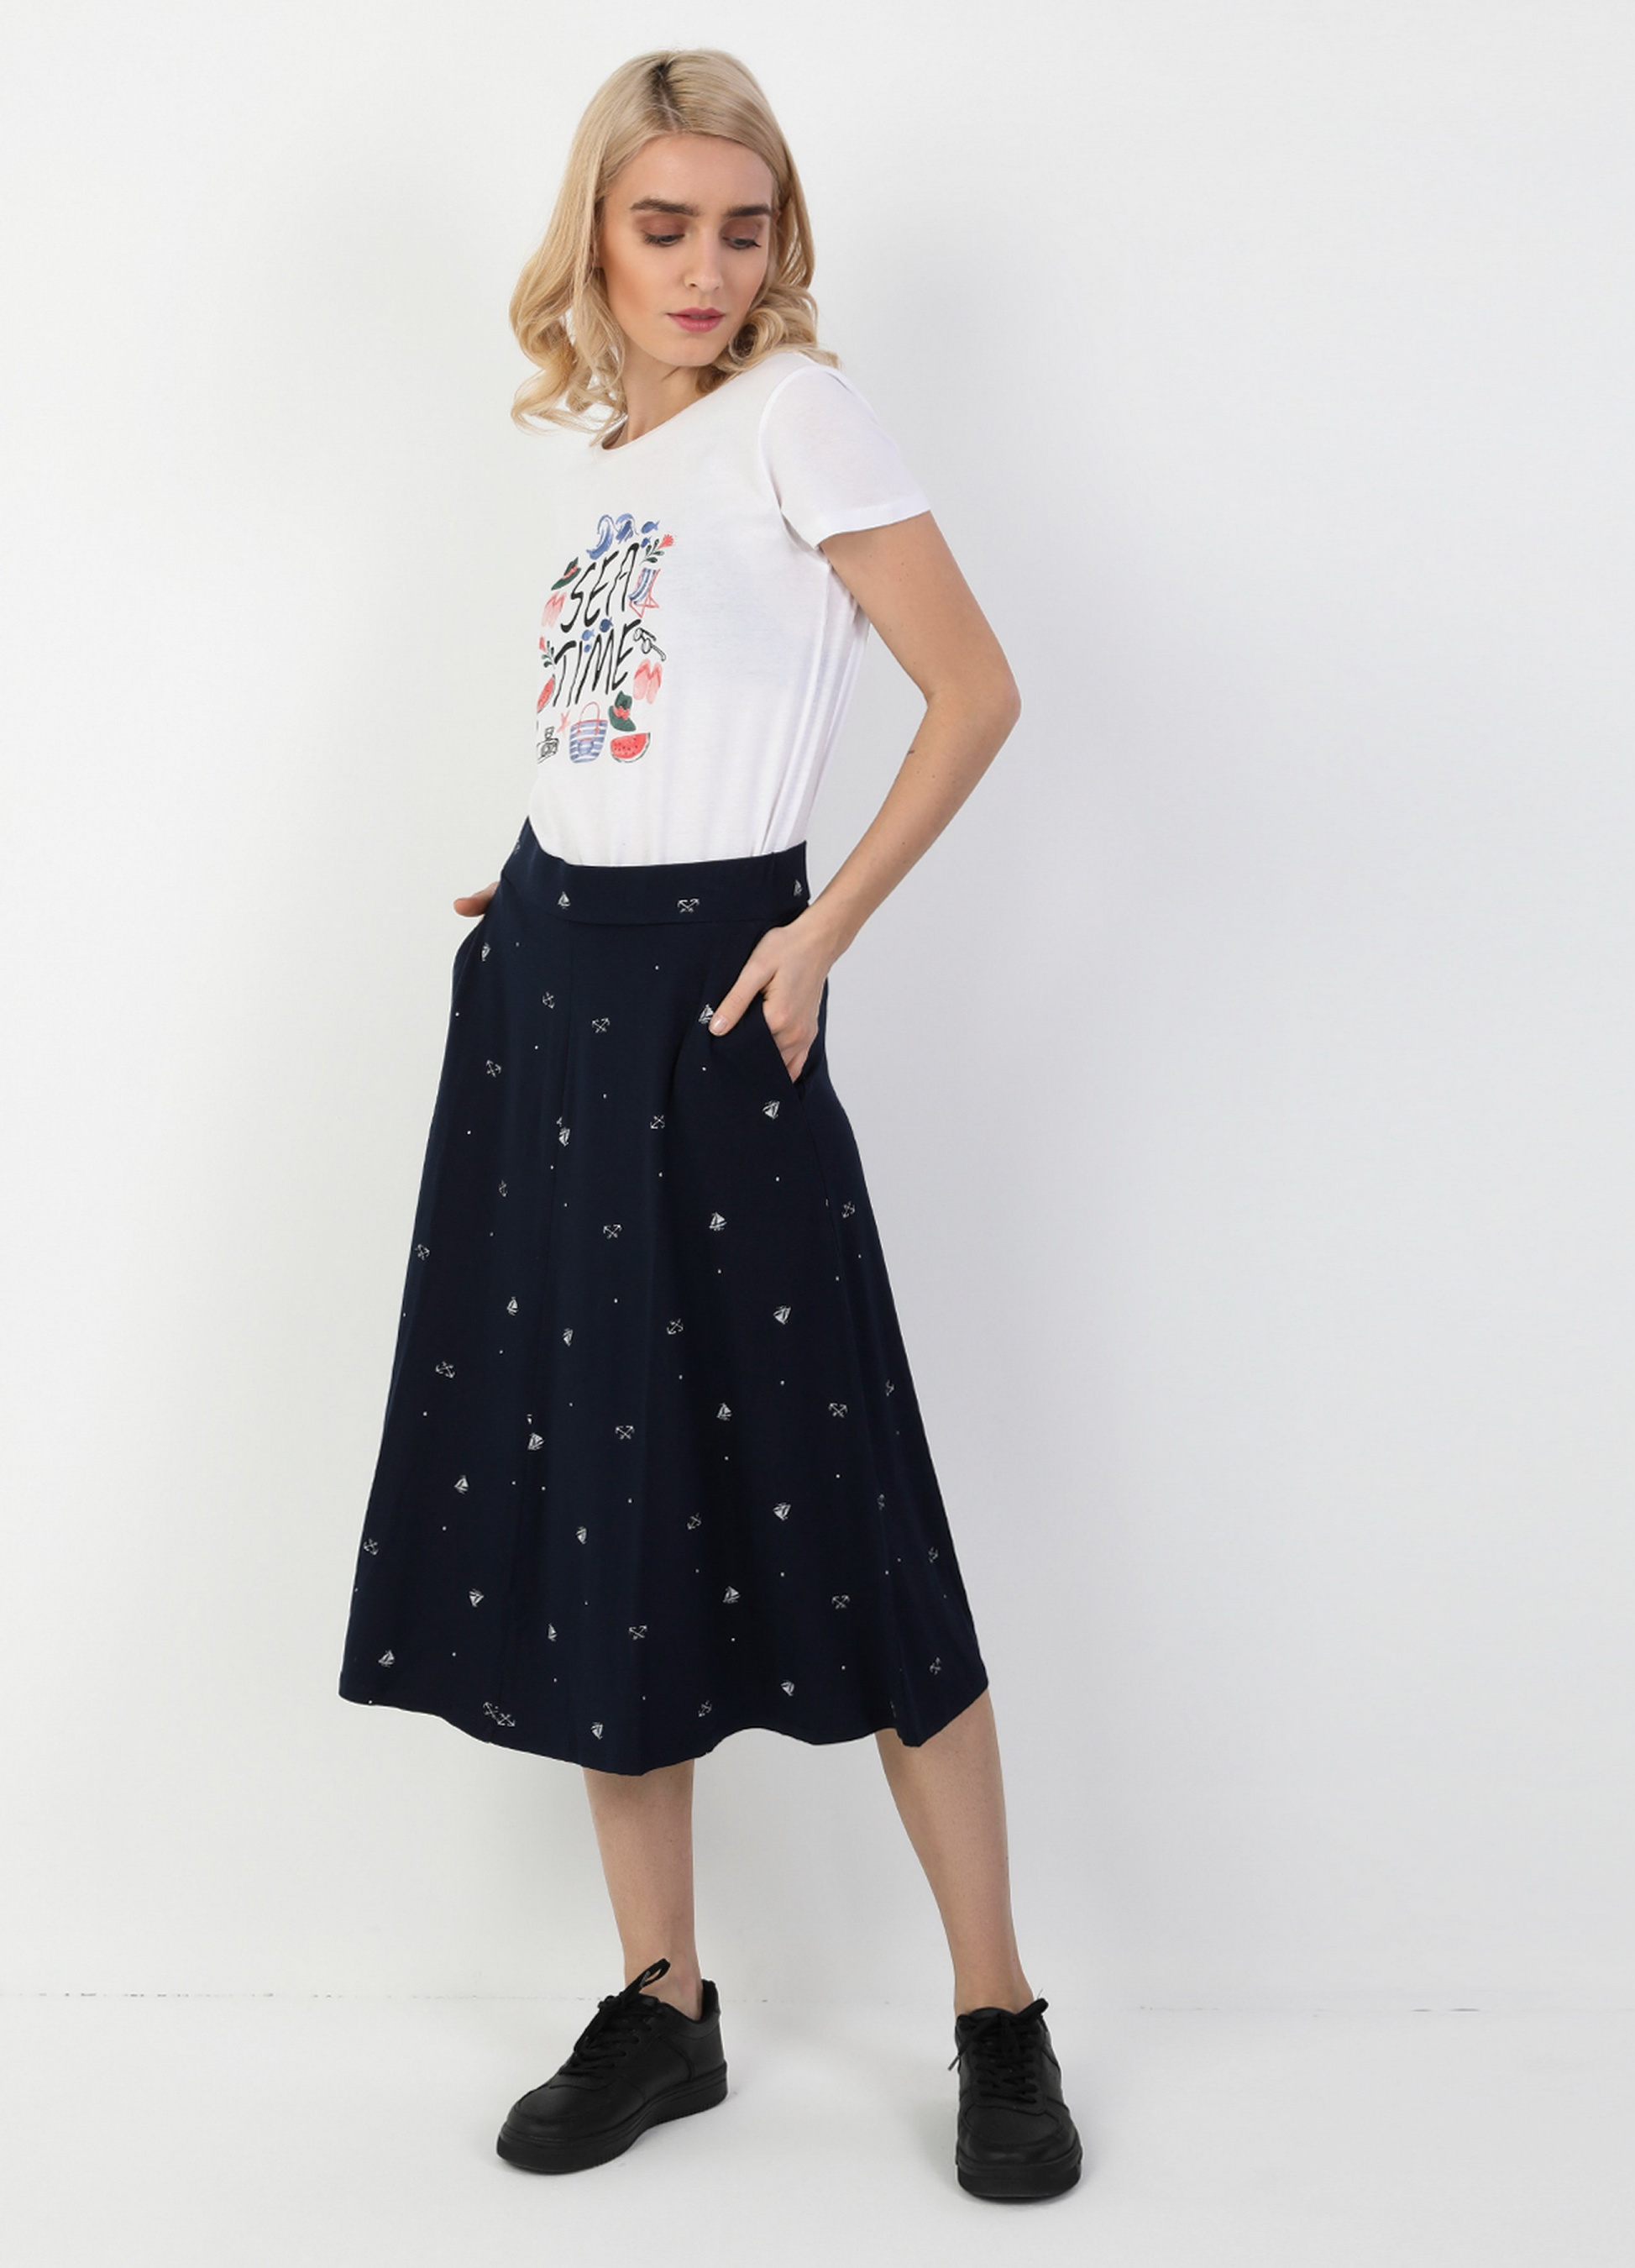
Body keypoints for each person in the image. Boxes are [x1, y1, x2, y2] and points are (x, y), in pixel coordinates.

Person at [337, 46, 1081, 2204]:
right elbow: (628, 726)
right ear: (593, 230)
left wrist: (819, 929)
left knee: (844, 1487)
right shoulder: (612, 455)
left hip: (717, 997)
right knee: (601, 1488)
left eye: (740, 230)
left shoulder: (797, 417)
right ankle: (662, 2004)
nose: (703, 267)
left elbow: (973, 692)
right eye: (661, 224)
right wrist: (539, 873)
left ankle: (997, 2011)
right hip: (555, 991)